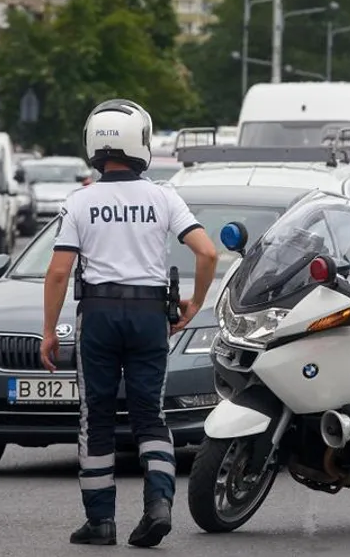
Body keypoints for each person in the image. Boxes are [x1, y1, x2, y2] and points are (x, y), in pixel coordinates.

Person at [39, 99, 218, 547]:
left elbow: (59, 271)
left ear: (93, 145)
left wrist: (47, 330)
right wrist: (194, 302)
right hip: (148, 316)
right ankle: (158, 505)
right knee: (149, 414)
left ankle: (100, 522)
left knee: (96, 416)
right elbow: (208, 252)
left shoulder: (80, 200)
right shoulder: (164, 197)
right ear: (140, 142)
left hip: (98, 315)